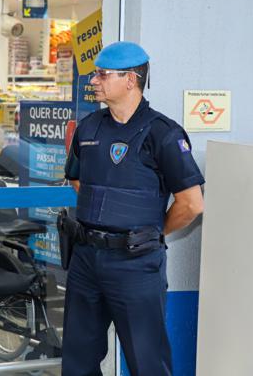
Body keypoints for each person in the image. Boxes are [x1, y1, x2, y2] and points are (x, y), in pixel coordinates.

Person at [61, 41, 205, 376]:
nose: (93, 81)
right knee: (77, 361)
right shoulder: (89, 127)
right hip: (86, 260)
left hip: (136, 265)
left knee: (146, 362)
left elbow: (192, 204)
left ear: (130, 80)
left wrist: (151, 233)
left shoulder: (163, 134)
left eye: (101, 74)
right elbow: (78, 180)